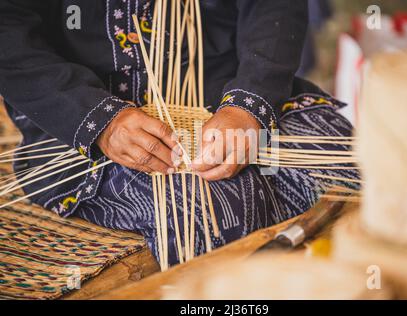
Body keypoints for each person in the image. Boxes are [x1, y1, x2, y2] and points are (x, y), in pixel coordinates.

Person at [0, 0, 357, 265]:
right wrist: (101, 121)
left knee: (352, 162)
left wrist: (249, 104)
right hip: (85, 116)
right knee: (216, 213)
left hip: (228, 88)